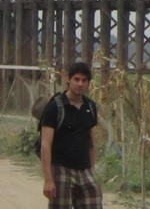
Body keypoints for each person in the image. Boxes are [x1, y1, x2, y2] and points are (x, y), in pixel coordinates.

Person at [40, 62, 100, 209]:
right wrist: (48, 179)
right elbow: (45, 144)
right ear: (68, 79)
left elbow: (91, 141)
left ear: (88, 83)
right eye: (76, 79)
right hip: (62, 170)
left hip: (85, 170)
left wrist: (92, 169)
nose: (80, 84)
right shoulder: (54, 107)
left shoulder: (90, 106)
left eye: (84, 80)